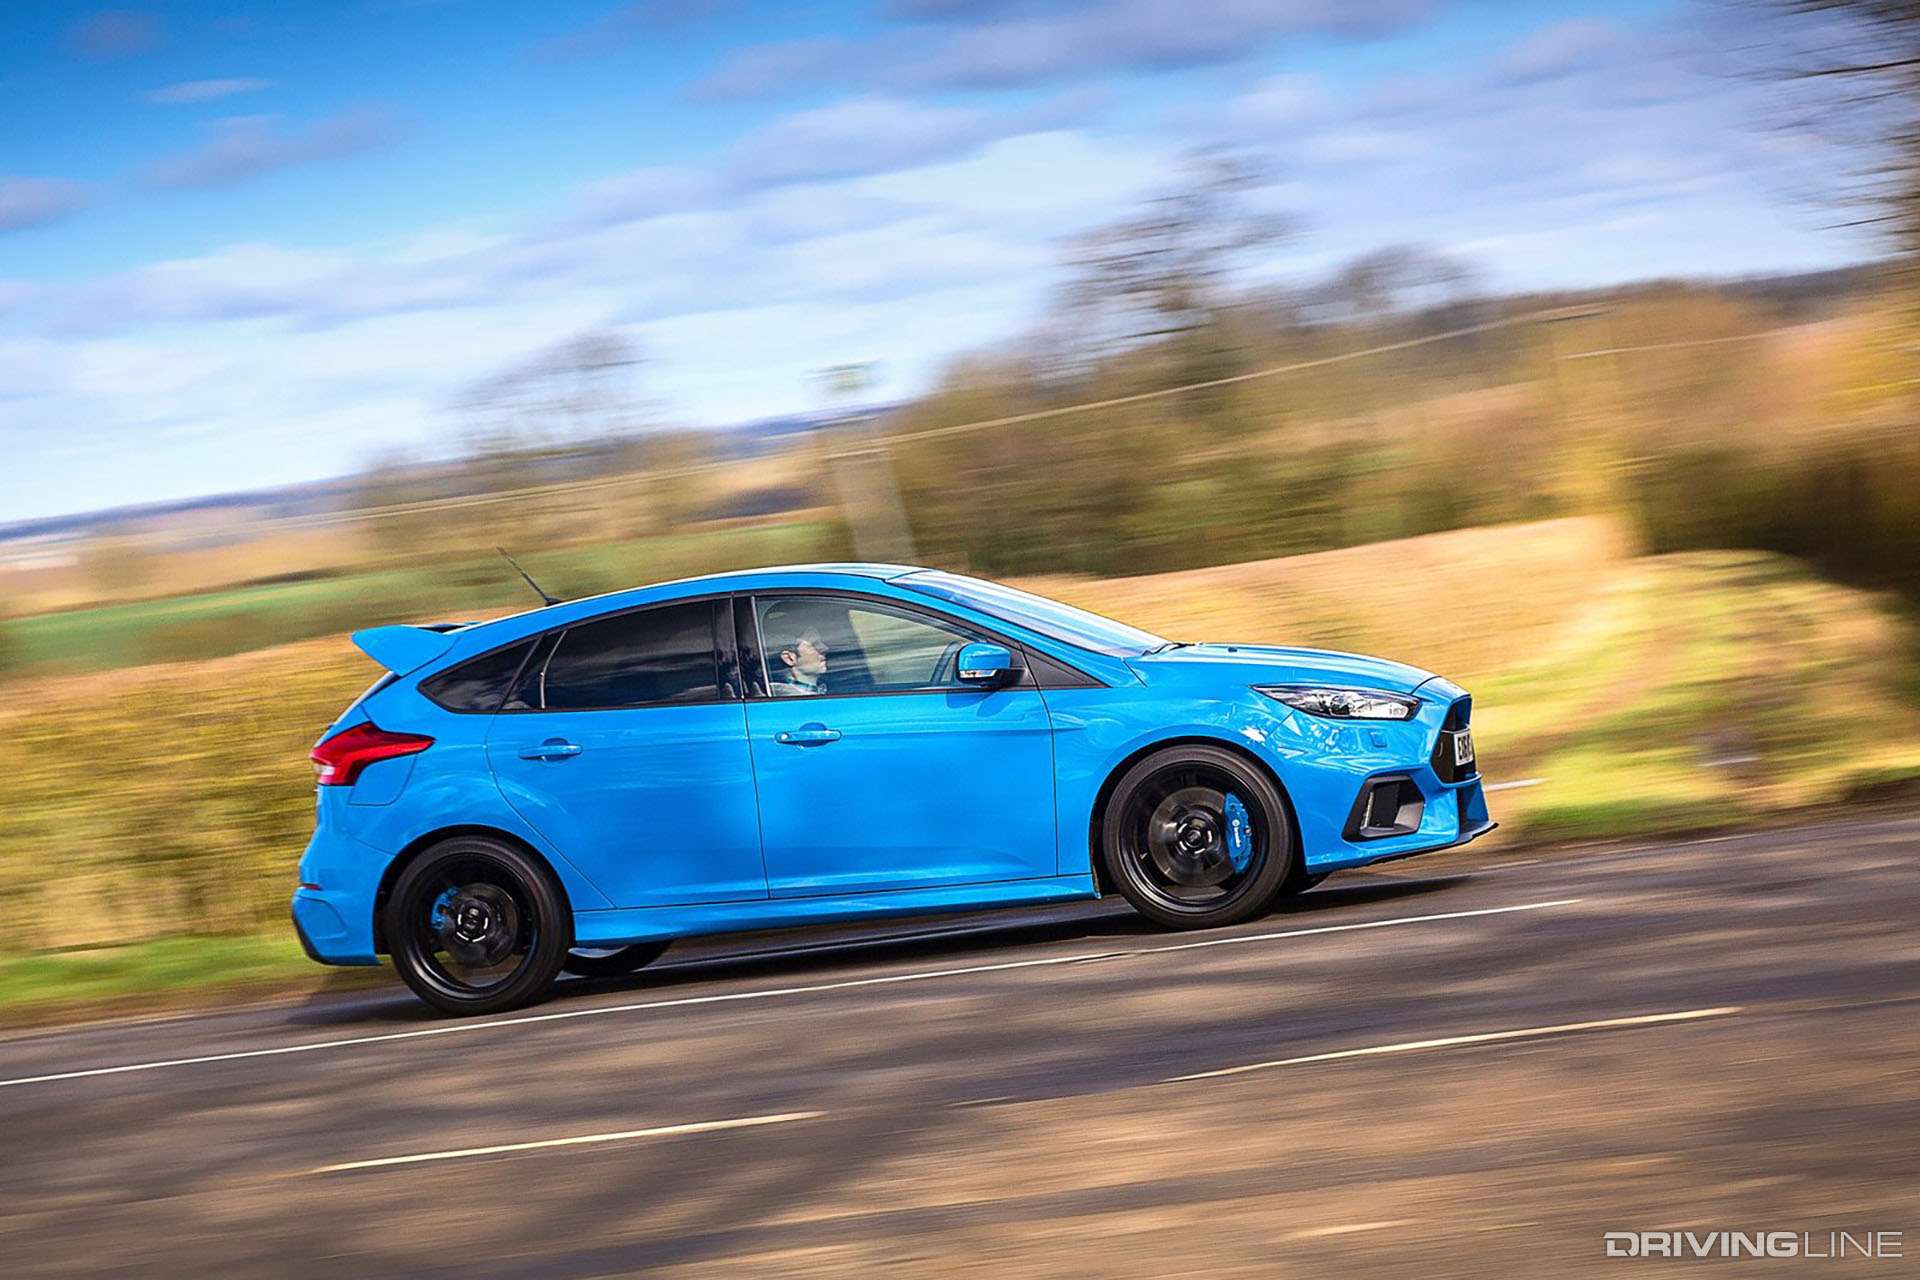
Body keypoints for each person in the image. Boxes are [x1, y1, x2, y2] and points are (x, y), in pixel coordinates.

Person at [768, 622, 830, 696]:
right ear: (789, 658)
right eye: (814, 645)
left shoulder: (835, 686)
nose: (825, 648)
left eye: (822, 642)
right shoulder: (779, 693)